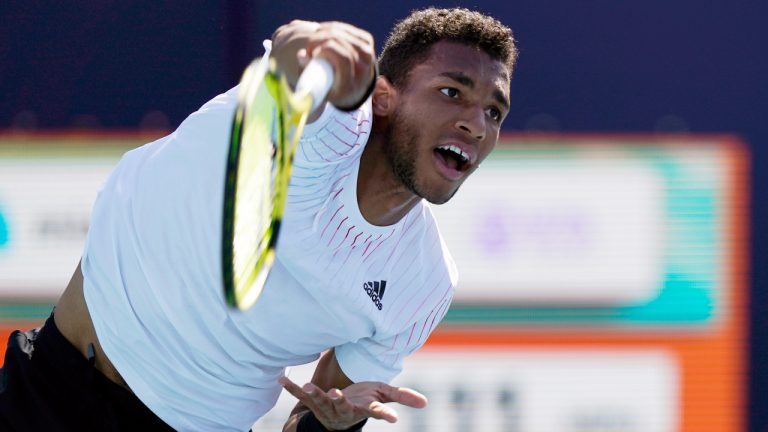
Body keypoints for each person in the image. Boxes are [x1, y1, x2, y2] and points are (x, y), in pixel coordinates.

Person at [0, 7, 517, 431]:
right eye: (452, 92)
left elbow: (308, 421)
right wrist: (304, 43)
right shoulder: (326, 123)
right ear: (383, 97)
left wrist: (335, 424)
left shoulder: (424, 282)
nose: (475, 123)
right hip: (51, 386)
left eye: (494, 112)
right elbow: (295, 68)